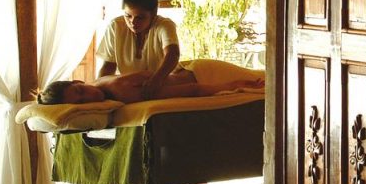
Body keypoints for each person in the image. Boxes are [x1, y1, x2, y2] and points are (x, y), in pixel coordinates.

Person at [93, 0, 182, 184]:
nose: (133, 22)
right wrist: (101, 92)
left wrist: (157, 80)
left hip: (156, 97)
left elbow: (172, 54)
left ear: (154, 14)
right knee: (118, 159)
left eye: (140, 17)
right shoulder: (116, 27)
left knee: (155, 163)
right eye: (128, 16)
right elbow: (108, 66)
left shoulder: (165, 26)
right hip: (127, 97)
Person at [36, 72, 264, 105]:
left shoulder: (119, 90)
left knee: (266, 82)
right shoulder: (100, 83)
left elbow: (191, 89)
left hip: (206, 76)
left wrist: (234, 85)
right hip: (198, 74)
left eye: (80, 91)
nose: (89, 97)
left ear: (77, 81)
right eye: (81, 102)